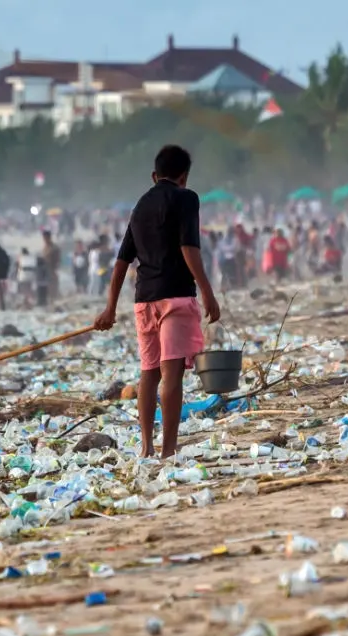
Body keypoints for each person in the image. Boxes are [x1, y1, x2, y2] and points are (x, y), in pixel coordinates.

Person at [94, 144, 220, 460]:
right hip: (175, 297)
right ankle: (168, 449)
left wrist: (110, 308)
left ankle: (147, 447)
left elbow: (122, 261)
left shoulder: (140, 206)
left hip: (144, 301)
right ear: (184, 177)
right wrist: (207, 291)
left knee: (149, 373)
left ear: (154, 176)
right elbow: (189, 248)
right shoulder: (187, 198)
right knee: (172, 373)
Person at [41, 230, 61, 301]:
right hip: (44, 272)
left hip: (51, 270)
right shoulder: (45, 248)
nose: (44, 240)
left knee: (53, 288)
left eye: (45, 238)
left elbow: (57, 260)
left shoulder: (54, 248)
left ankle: (54, 301)